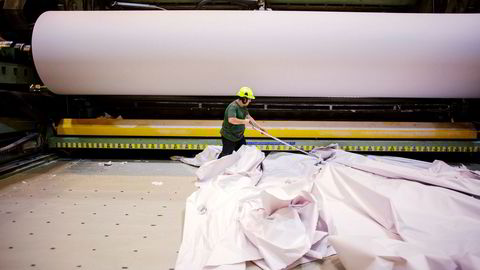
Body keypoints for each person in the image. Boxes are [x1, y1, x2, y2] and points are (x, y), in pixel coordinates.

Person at [218, 86, 266, 159]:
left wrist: (260, 128)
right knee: (226, 155)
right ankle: (217, 167)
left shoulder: (243, 107)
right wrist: (244, 121)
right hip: (229, 137)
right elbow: (231, 120)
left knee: (243, 153)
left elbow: (249, 118)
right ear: (244, 99)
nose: (250, 101)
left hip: (239, 136)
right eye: (249, 99)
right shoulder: (233, 107)